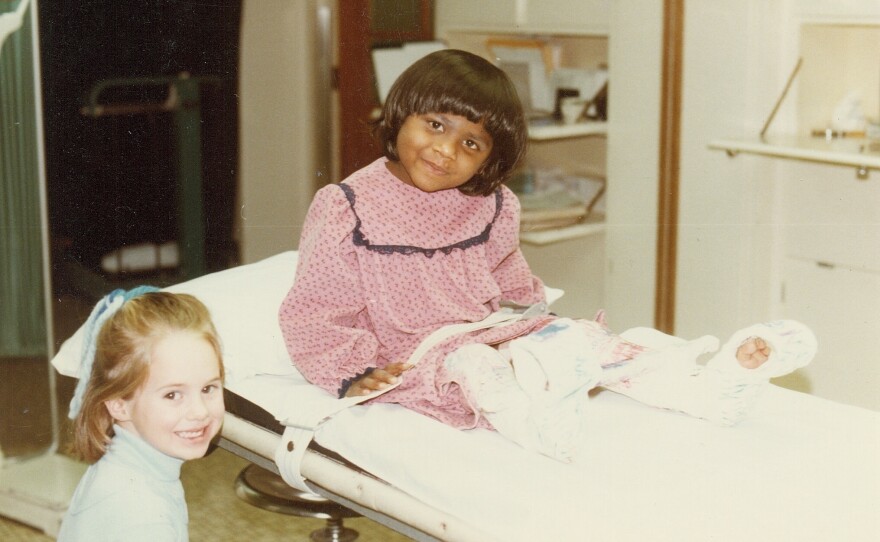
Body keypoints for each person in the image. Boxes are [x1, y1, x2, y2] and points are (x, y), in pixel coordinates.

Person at [279, 49, 816, 462]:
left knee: (585, 340)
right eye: (436, 125)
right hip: (423, 352)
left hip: (487, 329)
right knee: (476, 367)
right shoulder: (348, 206)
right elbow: (317, 309)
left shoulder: (490, 204)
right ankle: (539, 423)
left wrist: (538, 321)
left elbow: (509, 275)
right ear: (400, 114)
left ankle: (707, 389)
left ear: (489, 159)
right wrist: (353, 372)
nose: (445, 149)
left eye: (472, 143)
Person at [59, 287, 225, 542]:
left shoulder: (124, 469)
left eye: (208, 388)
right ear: (119, 405)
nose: (200, 411)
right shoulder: (143, 517)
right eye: (172, 395)